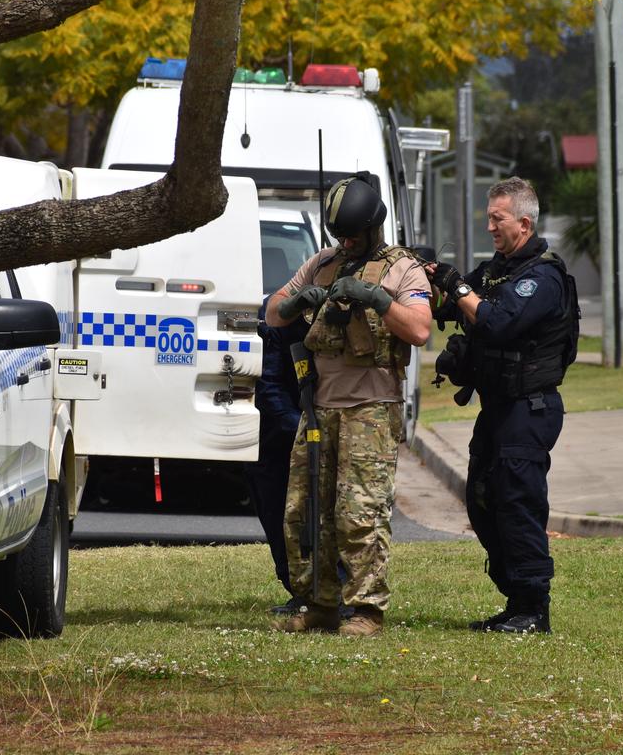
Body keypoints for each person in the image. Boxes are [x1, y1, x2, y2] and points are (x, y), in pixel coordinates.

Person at [265, 173, 432, 637]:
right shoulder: (323, 262)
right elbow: (273, 313)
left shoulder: (405, 269)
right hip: (319, 408)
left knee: (360, 511)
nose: (346, 242)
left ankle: (367, 611)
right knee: (307, 510)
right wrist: (299, 300)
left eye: (353, 234)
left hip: (371, 410)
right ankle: (319, 603)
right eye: (340, 234)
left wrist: (377, 299)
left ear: (374, 227)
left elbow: (420, 330)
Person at [425, 176, 575, 635]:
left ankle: (535, 609)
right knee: (483, 500)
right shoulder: (496, 270)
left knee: (517, 502)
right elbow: (450, 306)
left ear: (524, 223)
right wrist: (422, 276)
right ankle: (515, 600)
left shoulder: (543, 278)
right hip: (497, 411)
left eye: (498, 218)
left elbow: (498, 322)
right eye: (488, 216)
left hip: (529, 410)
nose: (490, 226)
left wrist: (457, 286)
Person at [244, 295, 308, 613]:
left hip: (328, 430)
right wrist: (298, 428)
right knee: (278, 512)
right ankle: (299, 588)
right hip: (281, 434)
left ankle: (335, 591)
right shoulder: (279, 310)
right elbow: (267, 383)